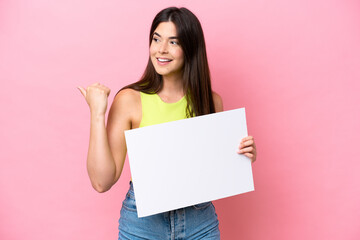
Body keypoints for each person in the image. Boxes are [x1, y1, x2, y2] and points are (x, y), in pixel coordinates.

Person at [78, 7, 257, 240]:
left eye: (173, 42)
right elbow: (102, 182)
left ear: (190, 49)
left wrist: (243, 155)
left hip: (199, 221)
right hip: (143, 224)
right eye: (156, 39)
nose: (161, 49)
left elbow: (213, 170)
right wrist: (97, 114)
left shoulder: (211, 101)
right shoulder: (130, 100)